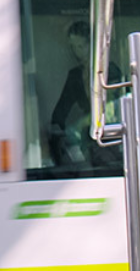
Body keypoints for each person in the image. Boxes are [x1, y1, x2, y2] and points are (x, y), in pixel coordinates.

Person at [49, 20, 121, 169]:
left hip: (112, 139)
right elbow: (60, 112)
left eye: (81, 46)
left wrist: (79, 124)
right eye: (73, 47)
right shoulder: (75, 76)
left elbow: (113, 110)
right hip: (89, 142)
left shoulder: (111, 72)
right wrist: (59, 132)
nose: (77, 52)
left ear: (92, 45)